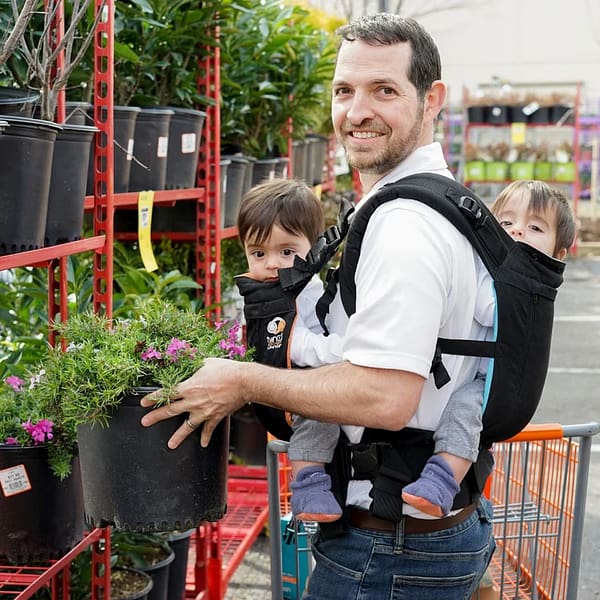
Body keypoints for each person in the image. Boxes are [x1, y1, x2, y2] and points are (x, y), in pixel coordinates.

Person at [141, 13, 497, 598]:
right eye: (343, 90)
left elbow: (385, 395)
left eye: (384, 90)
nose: (357, 111)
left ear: (432, 99)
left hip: (388, 548)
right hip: (425, 531)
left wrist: (242, 379)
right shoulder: (438, 201)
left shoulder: (406, 226)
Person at [400, 180, 577, 517]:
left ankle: (442, 480)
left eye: (535, 227)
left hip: (489, 382)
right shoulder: (490, 265)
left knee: (465, 411)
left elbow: (488, 309)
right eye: (506, 223)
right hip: (469, 366)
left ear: (559, 252)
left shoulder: (530, 284)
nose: (518, 232)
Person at [235, 177, 343, 522]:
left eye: (286, 252)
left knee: (321, 415)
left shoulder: (306, 289)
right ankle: (309, 484)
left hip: (276, 386)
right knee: (321, 414)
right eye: (258, 253)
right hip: (284, 389)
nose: (272, 264)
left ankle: (312, 482)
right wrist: (337, 351)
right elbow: (295, 343)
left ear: (312, 250)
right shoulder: (266, 293)